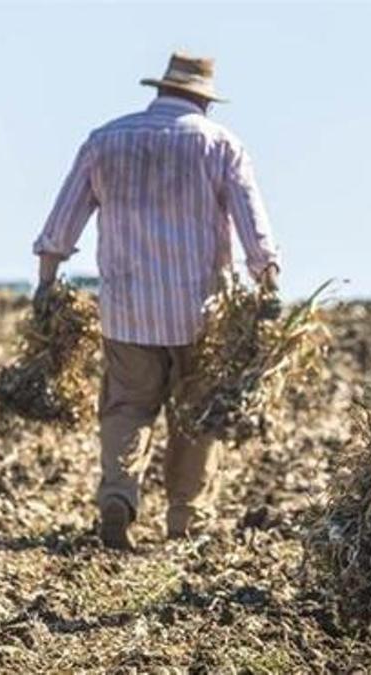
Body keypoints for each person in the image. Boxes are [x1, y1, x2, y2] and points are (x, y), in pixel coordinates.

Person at [31, 50, 281, 549]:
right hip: (202, 310)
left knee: (127, 407)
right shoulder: (220, 145)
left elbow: (61, 224)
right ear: (203, 100)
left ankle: (118, 498)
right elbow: (253, 223)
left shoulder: (106, 141)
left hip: (127, 309)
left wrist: (46, 282)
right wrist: (267, 281)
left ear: (161, 90)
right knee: (195, 413)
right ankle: (184, 518)